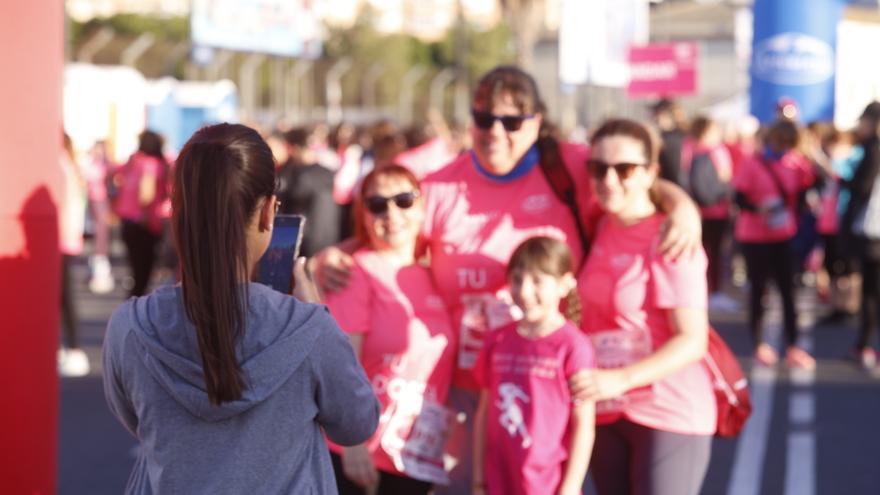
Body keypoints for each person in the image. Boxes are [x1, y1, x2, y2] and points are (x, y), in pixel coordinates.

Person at [315, 65, 702, 494]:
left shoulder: (569, 169)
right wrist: (339, 253)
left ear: (536, 123)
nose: (495, 132)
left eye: (512, 121)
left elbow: (635, 181)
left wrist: (683, 207)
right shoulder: (442, 186)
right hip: (464, 393)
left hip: (549, 386)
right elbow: (389, 228)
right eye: (484, 119)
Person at [102, 123, 380, 494]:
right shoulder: (308, 328)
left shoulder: (130, 327)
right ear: (268, 212)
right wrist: (315, 310)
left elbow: (135, 418)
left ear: (177, 211)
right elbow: (357, 423)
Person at [570, 119, 716, 495]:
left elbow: (692, 340)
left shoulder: (671, 235)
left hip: (668, 410)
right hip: (606, 408)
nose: (609, 179)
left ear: (650, 173)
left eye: (625, 169)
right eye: (598, 168)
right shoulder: (598, 222)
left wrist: (620, 379)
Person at [322, 164, 457, 495]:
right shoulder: (354, 272)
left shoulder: (438, 271)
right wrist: (352, 444)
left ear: (422, 206)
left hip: (416, 455)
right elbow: (340, 367)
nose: (391, 213)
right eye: (377, 204)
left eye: (403, 200)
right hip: (361, 458)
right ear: (363, 214)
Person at [472, 236, 595, 495]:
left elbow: (584, 423)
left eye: (538, 281)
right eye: (517, 279)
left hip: (548, 485)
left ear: (564, 285)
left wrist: (571, 486)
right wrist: (478, 479)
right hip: (497, 480)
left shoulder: (573, 346)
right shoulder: (497, 339)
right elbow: (484, 412)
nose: (524, 291)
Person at [733, 119, 816, 369]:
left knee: (788, 292)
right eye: (779, 142)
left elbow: (805, 194)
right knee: (758, 290)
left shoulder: (797, 163)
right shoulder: (752, 164)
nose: (782, 147)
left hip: (783, 235)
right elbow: (738, 199)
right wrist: (760, 208)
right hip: (754, 236)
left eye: (788, 143)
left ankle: (793, 346)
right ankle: (759, 345)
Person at [681, 115, 737, 311]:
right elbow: (726, 177)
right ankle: (715, 292)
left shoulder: (688, 147)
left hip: (694, 210)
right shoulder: (717, 151)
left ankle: (699, 292)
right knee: (716, 253)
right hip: (717, 209)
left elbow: (684, 178)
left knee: (697, 253)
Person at [843, 101, 880, 368]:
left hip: (873, 233)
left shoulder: (873, 149)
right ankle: (864, 344)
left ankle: (865, 345)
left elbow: (862, 186)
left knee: (871, 291)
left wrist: (843, 180)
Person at [113, 130, 170, 297]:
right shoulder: (152, 163)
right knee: (143, 273)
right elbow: (147, 193)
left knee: (136, 271)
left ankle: (130, 307)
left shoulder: (133, 161)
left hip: (127, 220)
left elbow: (114, 176)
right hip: (145, 223)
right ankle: (133, 312)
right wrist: (145, 214)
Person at [276, 126, 342, 258]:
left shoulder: (297, 176)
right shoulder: (327, 172)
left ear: (293, 148)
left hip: (304, 242)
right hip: (329, 239)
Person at [58, 132, 90, 377]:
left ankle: (75, 348)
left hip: (61, 240)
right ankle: (71, 348)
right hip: (68, 239)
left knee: (65, 296)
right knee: (63, 296)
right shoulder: (70, 166)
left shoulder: (60, 166)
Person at [650, 98, 689, 185]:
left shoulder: (671, 139)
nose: (654, 118)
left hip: (672, 186)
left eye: (656, 114)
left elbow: (673, 171)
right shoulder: (676, 136)